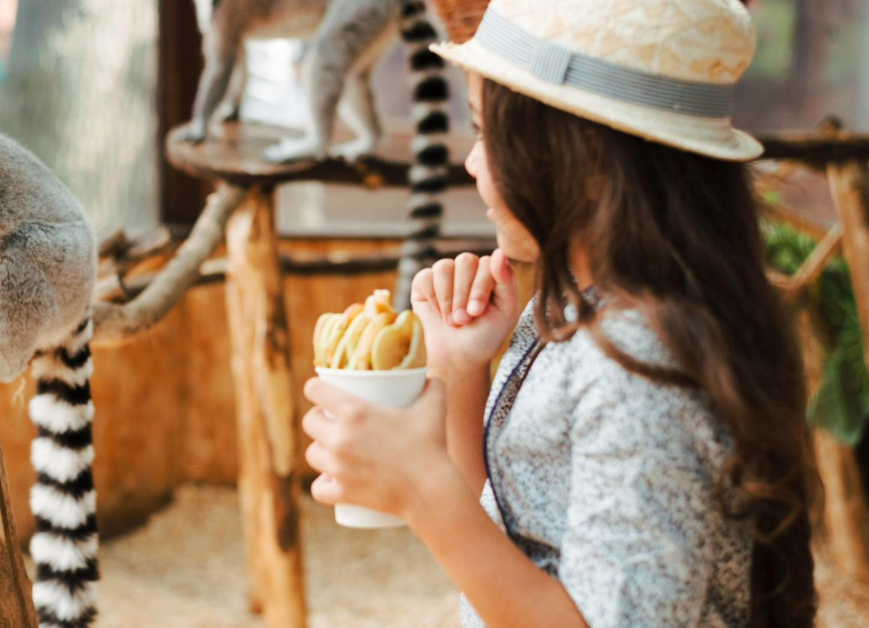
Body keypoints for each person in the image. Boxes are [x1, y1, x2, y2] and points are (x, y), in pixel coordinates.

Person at [299, 0, 817, 626]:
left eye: (487, 134)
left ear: (589, 162)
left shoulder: (641, 364)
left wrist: (420, 488)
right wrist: (463, 370)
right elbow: (510, 532)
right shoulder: (579, 302)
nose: (470, 161)